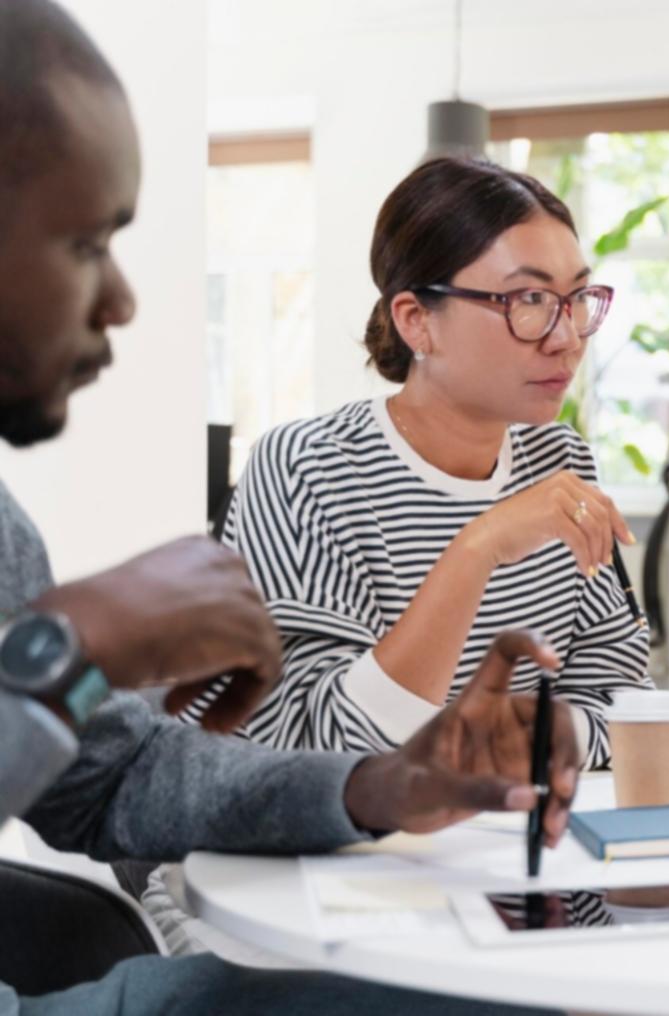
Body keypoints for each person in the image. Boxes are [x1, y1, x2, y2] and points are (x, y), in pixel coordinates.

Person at [0, 1, 573, 1011]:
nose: (124, 298)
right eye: (87, 243)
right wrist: (68, 646)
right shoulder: (305, 463)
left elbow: (110, 781)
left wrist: (378, 785)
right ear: (416, 320)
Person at [181, 156, 650, 767]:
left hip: (492, 821)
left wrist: (505, 740)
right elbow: (316, 747)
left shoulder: (559, 462)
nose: (566, 337)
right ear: (417, 321)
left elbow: (625, 699)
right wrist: (478, 548)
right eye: (530, 299)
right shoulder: (306, 468)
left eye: (577, 298)